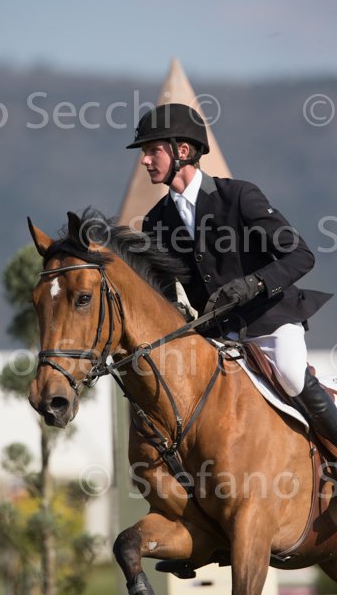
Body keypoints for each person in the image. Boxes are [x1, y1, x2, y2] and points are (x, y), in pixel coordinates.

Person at [126, 102, 337, 447]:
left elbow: (301, 256)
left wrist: (254, 283)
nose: (144, 160)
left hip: (268, 320)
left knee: (290, 374)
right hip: (215, 333)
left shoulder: (238, 196)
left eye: (152, 151)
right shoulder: (155, 221)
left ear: (182, 151)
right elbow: (162, 290)